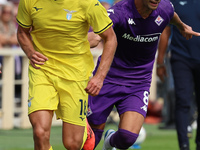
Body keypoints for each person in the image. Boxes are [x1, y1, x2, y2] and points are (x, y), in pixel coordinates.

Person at [87, 0, 200, 149]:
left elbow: (172, 15)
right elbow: (96, 35)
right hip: (108, 79)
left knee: (127, 137)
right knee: (91, 141)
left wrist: (181, 26)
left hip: (138, 83)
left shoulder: (164, 8)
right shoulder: (120, 11)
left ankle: (110, 142)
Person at [16, 0, 117, 149]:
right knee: (39, 132)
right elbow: (22, 32)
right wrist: (30, 52)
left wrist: (99, 77)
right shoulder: (29, 1)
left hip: (75, 75)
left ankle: (86, 131)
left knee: (72, 144)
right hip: (43, 70)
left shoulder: (88, 4)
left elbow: (111, 38)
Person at [157, 0, 200, 150]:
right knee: (182, 101)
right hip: (181, 58)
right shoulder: (171, 3)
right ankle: (184, 145)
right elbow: (165, 31)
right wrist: (160, 61)